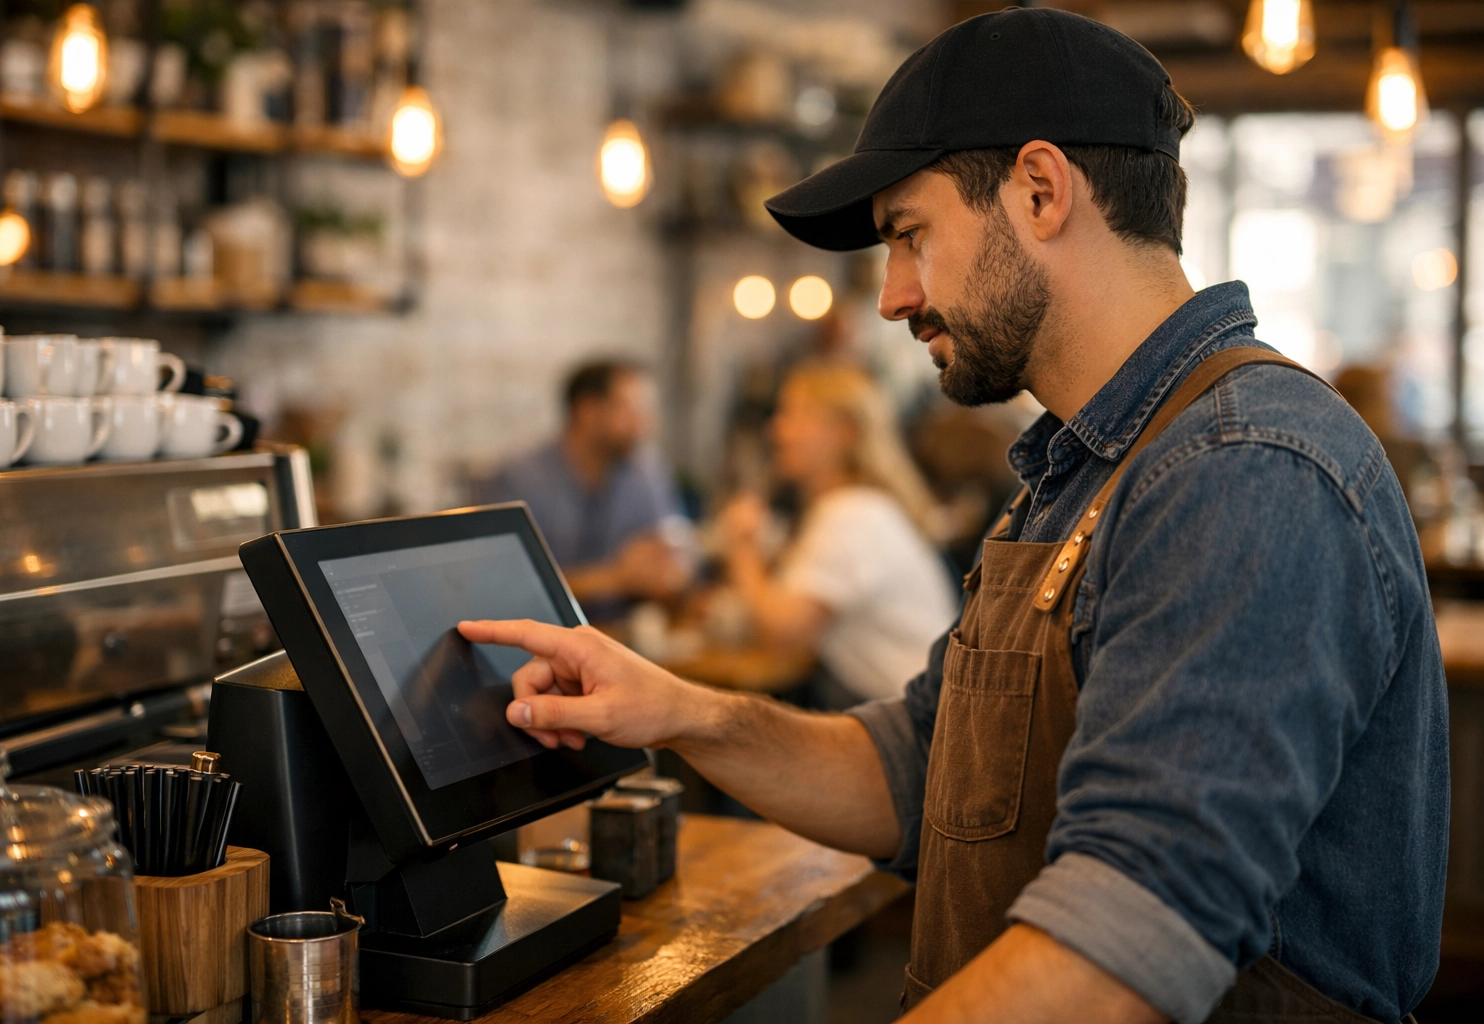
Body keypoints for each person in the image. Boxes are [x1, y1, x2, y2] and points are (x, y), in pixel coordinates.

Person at [461, 10, 1446, 1024]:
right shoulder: (1076, 472)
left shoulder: (1240, 469)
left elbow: (1128, 944)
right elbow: (916, 769)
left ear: (1040, 189)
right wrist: (682, 712)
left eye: (908, 235)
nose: (891, 297)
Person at [716, 362, 956, 704]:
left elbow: (784, 635)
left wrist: (741, 545)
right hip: (912, 708)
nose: (776, 429)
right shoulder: (857, 507)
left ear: (844, 431)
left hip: (920, 727)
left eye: (793, 415)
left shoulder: (854, 515)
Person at [475, 360, 689, 619]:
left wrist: (671, 569)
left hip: (623, 639)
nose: (644, 424)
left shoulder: (644, 470)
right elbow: (501, 587)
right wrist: (615, 577)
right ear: (587, 411)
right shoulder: (520, 480)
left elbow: (679, 551)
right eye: (630, 411)